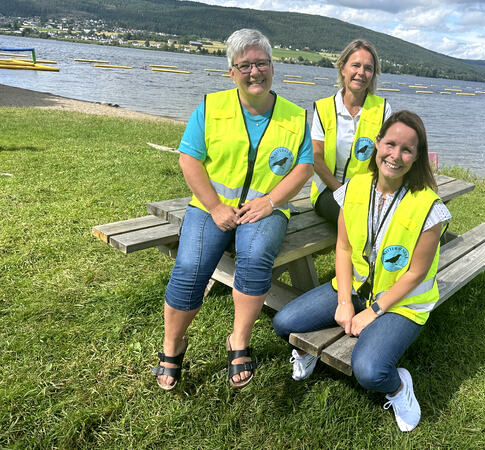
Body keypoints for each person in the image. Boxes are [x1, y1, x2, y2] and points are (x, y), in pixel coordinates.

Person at [151, 29, 314, 391]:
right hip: (211, 208)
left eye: (262, 63)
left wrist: (271, 202)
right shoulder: (211, 107)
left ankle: (238, 340)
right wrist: (214, 206)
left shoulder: (295, 116)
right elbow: (189, 158)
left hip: (266, 209)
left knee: (255, 258)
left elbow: (303, 168)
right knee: (191, 266)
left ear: (273, 67)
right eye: (245, 66)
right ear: (231, 72)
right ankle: (173, 343)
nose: (255, 72)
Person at [273, 111, 451, 432]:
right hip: (355, 287)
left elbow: (416, 274)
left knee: (370, 371)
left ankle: (399, 387)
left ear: (417, 157)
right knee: (284, 323)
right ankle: (311, 351)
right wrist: (344, 300)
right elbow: (343, 248)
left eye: (407, 150)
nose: (396, 155)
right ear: (378, 143)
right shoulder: (354, 187)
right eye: (391, 144)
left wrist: (373, 311)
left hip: (402, 302)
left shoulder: (430, 208)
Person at [310, 39, 392, 226]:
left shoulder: (383, 108)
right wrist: (341, 191)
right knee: (358, 219)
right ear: (342, 68)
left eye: (368, 68)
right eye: (355, 65)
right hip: (329, 190)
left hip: (368, 191)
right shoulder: (324, 108)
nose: (361, 73)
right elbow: (316, 158)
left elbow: (387, 157)